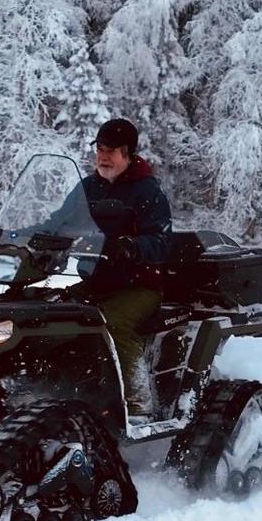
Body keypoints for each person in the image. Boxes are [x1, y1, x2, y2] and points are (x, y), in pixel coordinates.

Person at [55, 118, 172, 415]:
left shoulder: (146, 191)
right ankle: (67, 390)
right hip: (97, 280)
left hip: (139, 285)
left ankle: (139, 402)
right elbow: (59, 222)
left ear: (128, 153)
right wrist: (18, 236)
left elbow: (162, 241)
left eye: (112, 151)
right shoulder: (89, 187)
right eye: (100, 149)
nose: (104, 157)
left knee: (112, 324)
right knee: (52, 314)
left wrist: (132, 246)